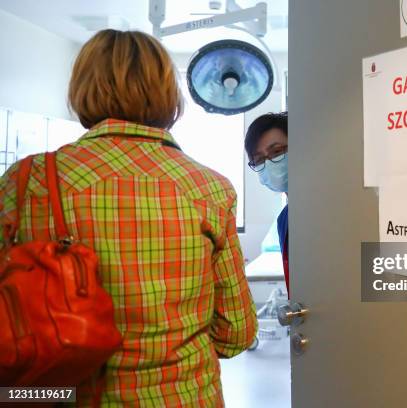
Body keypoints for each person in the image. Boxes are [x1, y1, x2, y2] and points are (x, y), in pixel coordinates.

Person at [0, 29, 257, 406]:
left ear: (80, 89)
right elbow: (237, 333)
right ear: (169, 94)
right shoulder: (209, 188)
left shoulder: (25, 182)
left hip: (56, 395)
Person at [244, 112, 289, 295]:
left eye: (277, 151)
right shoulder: (284, 219)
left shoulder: (328, 207)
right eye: (260, 159)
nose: (269, 163)